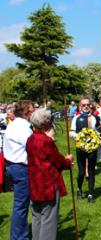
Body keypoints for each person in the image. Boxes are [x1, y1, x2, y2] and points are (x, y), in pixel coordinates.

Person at [26, 109, 73, 240]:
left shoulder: (30, 139)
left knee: (37, 216)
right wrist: (68, 160)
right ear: (46, 123)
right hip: (47, 185)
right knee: (48, 220)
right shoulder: (45, 141)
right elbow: (59, 161)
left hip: (35, 183)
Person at [3, 100, 34, 240]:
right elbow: (32, 147)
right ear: (26, 112)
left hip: (11, 165)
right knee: (21, 206)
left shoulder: (15, 124)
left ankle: (18, 235)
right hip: (20, 168)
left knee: (20, 205)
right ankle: (19, 237)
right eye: (32, 110)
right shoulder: (23, 128)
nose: (34, 113)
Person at [69, 97, 101, 203]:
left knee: (91, 171)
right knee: (82, 172)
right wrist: (80, 136)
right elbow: (71, 132)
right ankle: (79, 189)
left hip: (92, 147)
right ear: (80, 106)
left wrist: (96, 136)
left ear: (90, 105)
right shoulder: (76, 118)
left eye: (88, 104)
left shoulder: (95, 118)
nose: (86, 106)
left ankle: (91, 194)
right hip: (81, 147)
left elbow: (99, 130)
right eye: (83, 105)